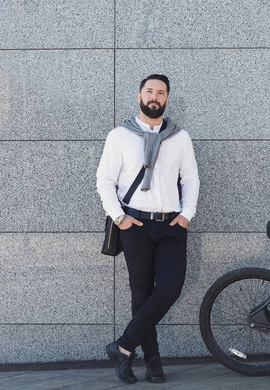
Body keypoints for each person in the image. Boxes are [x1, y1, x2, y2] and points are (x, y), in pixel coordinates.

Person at [96, 74, 199, 384]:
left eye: (161, 92)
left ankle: (123, 347)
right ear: (140, 95)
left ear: (167, 99)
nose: (155, 96)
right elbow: (105, 181)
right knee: (141, 294)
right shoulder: (119, 136)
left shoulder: (179, 137)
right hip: (135, 225)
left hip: (171, 225)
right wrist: (119, 217)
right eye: (150, 91)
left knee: (169, 288)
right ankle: (152, 362)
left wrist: (186, 215)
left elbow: (190, 179)